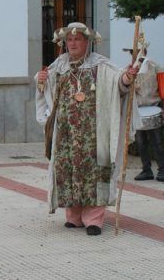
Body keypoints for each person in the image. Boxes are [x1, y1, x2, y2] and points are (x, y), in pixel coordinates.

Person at [36, 22, 139, 236]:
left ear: (87, 42)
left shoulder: (100, 65)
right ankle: (73, 216)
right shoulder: (59, 65)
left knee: (95, 171)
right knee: (68, 170)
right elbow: (45, 87)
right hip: (66, 132)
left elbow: (118, 82)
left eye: (77, 39)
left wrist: (127, 78)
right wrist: (41, 80)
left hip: (93, 132)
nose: (72, 43)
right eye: (69, 40)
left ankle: (93, 218)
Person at [123, 46, 164, 183]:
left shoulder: (156, 67)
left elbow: (163, 89)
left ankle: (163, 171)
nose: (136, 56)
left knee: (157, 142)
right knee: (140, 142)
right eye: (134, 53)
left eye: (139, 53)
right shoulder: (129, 69)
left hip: (153, 107)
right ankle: (146, 170)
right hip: (138, 109)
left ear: (144, 52)